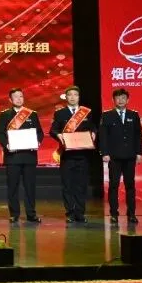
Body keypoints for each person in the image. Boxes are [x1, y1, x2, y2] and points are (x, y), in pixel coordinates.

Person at [0, 88, 45, 224]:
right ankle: (14, 214)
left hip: (29, 156)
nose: (19, 99)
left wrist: (37, 142)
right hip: (13, 156)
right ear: (10, 99)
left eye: (21, 96)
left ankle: (31, 214)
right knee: (13, 186)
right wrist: (7, 145)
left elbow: (40, 133)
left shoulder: (32, 114)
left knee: (30, 187)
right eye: (16, 97)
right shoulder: (5, 115)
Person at [98, 88, 142, 224]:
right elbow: (103, 136)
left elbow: (138, 136)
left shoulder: (133, 115)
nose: (121, 100)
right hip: (114, 157)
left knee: (130, 185)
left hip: (130, 156)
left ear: (127, 100)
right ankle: (114, 214)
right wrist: (104, 153)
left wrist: (139, 153)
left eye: (123, 98)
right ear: (113, 100)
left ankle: (131, 214)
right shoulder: (107, 115)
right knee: (114, 185)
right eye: (118, 98)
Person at [50, 86, 94, 224]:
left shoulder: (86, 112)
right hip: (67, 155)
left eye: (75, 94)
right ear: (66, 97)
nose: (73, 97)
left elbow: (93, 127)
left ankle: (80, 213)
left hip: (83, 155)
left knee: (81, 185)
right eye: (70, 95)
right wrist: (58, 135)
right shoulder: (60, 113)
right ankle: (70, 213)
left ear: (79, 97)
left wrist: (94, 133)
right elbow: (53, 130)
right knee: (67, 185)